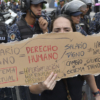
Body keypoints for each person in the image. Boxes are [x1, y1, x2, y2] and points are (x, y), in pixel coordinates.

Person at [8, 0, 50, 99]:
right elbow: (13, 57)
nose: (40, 9)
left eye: (41, 6)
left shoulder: (43, 24)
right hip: (26, 80)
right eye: (36, 6)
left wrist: (45, 31)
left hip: (44, 76)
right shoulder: (15, 28)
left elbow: (51, 50)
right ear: (26, 7)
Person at [61, 0, 100, 99]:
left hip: (78, 74)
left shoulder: (78, 29)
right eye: (75, 15)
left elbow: (88, 44)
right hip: (62, 76)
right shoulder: (57, 31)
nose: (79, 17)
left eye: (79, 14)